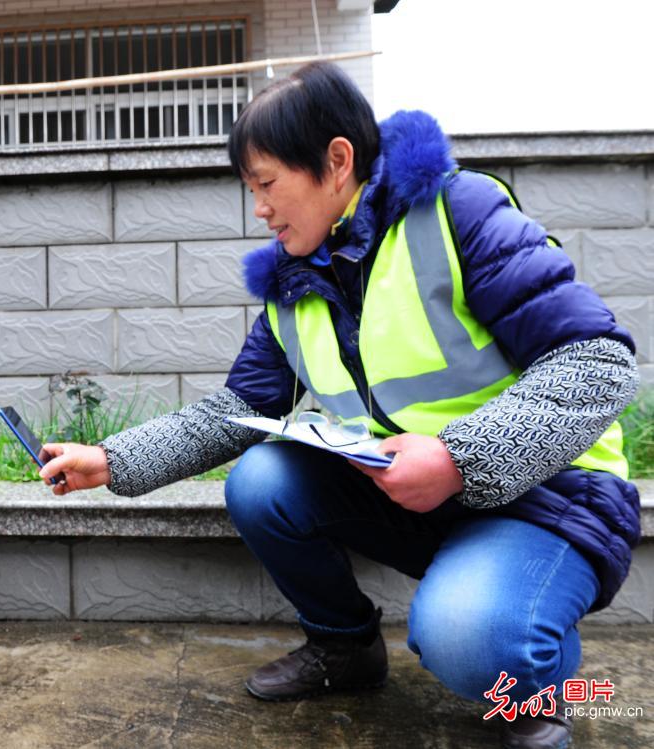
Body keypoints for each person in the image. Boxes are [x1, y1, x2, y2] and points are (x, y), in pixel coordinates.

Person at [36, 61, 641, 749]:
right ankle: (346, 648)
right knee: (264, 480)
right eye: (250, 189)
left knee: (469, 639)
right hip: (421, 497)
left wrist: (459, 456)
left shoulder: (456, 214)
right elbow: (235, 406)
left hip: (547, 495)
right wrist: (111, 459)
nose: (258, 208)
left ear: (335, 161)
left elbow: (597, 362)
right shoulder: (294, 281)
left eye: (266, 184)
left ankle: (540, 687)